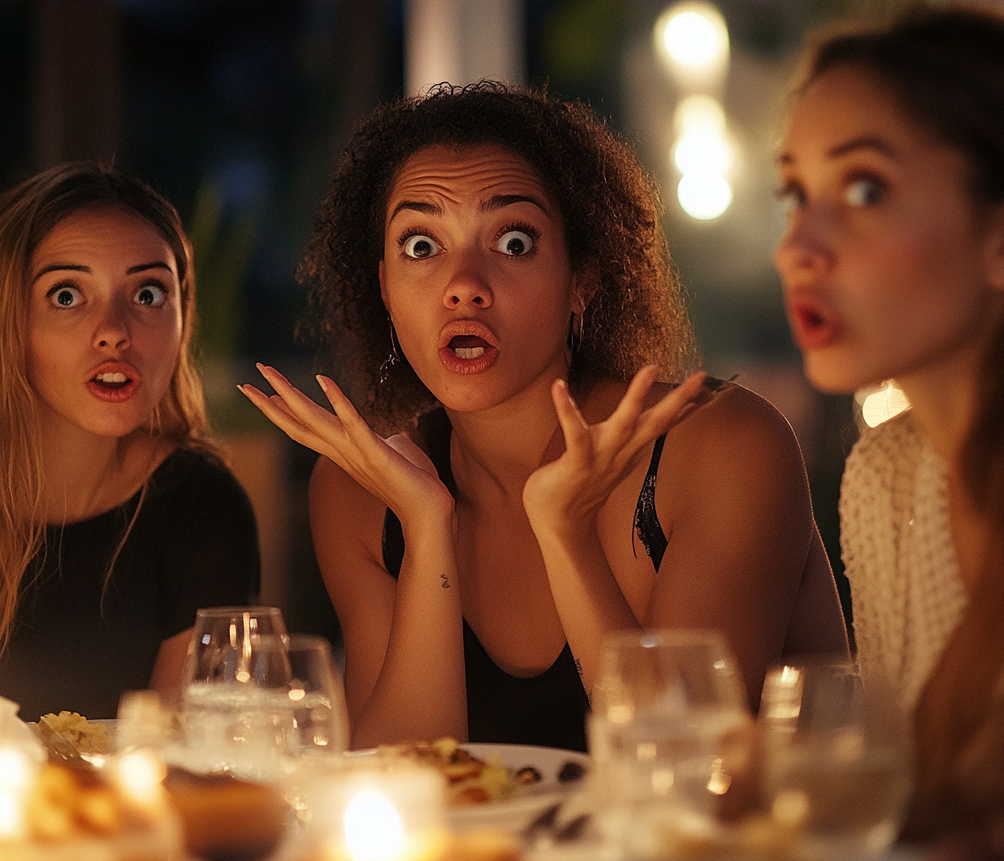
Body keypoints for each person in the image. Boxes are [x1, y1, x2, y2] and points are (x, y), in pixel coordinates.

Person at [242, 82, 846, 752]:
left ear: (583, 279)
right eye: (421, 247)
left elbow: (687, 771)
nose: (464, 282)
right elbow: (397, 781)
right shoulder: (364, 494)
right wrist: (426, 527)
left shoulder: (724, 446)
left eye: (514, 243)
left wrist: (564, 532)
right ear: (384, 286)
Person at [774, 4, 1004, 861]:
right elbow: (910, 810)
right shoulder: (886, 473)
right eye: (794, 196)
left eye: (863, 190)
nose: (800, 248)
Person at [0, 162, 261, 722]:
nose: (115, 329)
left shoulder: (199, 504)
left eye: (149, 293)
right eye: (66, 295)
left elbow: (180, 763)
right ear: (4, 319)